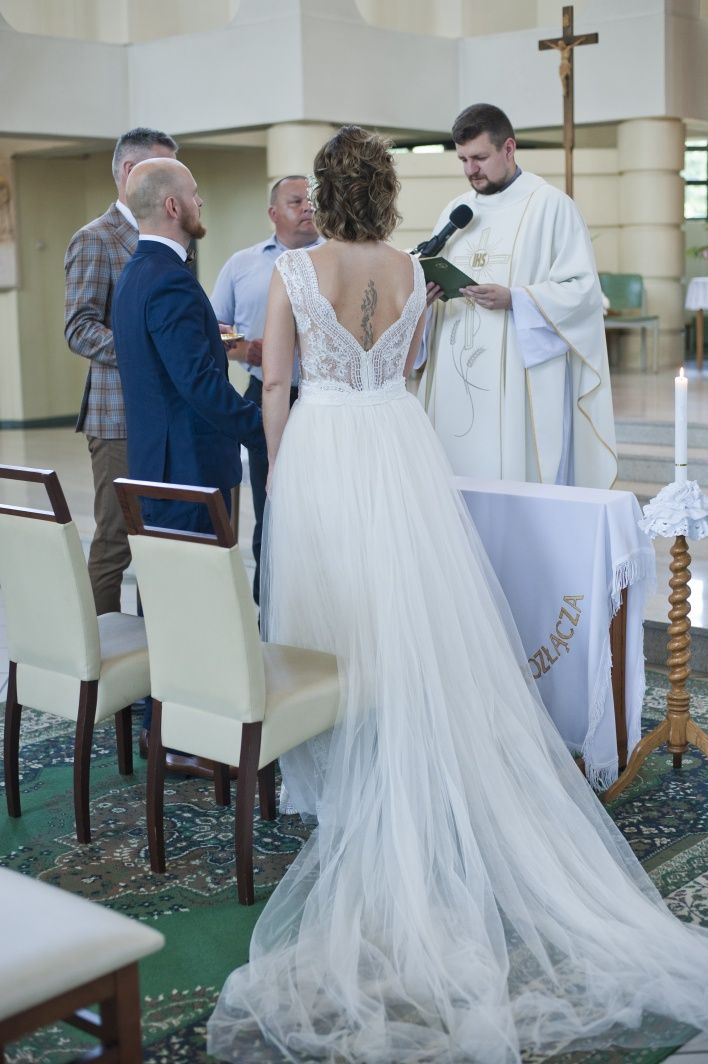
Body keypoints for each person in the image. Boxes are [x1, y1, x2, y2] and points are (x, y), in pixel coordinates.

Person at [207, 127, 708, 1064]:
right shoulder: (409, 270)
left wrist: (283, 469)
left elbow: (274, 383)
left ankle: (342, 773)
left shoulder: (293, 272)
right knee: (410, 611)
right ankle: (409, 758)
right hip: (396, 445)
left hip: (322, 447)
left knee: (332, 617)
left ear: (320, 192)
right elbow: (406, 369)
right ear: (388, 191)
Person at [418, 103, 617, 489]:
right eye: (462, 159)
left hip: (519, 380)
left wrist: (517, 299)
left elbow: (583, 291)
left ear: (508, 149)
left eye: (479, 157)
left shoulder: (550, 206)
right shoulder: (455, 211)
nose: (470, 170)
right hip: (454, 371)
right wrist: (425, 293)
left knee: (513, 472)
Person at [112, 157, 264, 536]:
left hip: (156, 464)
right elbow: (199, 383)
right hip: (187, 471)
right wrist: (265, 429)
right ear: (173, 206)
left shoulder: (136, 272)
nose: (201, 202)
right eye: (194, 195)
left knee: (165, 587)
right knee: (194, 589)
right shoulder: (170, 281)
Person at [64, 127, 178, 616]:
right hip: (117, 421)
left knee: (160, 542)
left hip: (167, 417)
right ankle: (105, 665)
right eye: (167, 171)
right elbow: (79, 328)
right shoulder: (96, 238)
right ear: (131, 173)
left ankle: (156, 660)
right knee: (116, 542)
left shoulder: (169, 234)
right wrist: (145, 346)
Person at [211, 176, 321, 603]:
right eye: (296, 202)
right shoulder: (243, 264)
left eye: (311, 201)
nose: (307, 208)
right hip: (263, 396)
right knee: (270, 504)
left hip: (321, 398)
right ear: (273, 212)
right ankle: (269, 608)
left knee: (319, 508)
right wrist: (245, 350)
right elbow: (214, 332)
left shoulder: (331, 258)